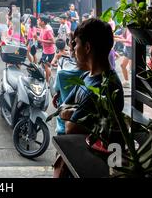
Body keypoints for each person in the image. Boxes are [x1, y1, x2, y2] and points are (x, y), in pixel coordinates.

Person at [53, 18, 124, 178]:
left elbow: (71, 127)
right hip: (79, 157)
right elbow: (62, 108)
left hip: (93, 164)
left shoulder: (104, 86)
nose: (73, 48)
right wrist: (73, 113)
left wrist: (70, 114)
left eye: (76, 44)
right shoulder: (86, 76)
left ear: (87, 47)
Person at [38, 15, 55, 83]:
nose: (38, 21)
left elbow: (53, 41)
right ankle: (51, 78)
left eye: (39, 20)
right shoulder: (42, 27)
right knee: (44, 66)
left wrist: (41, 40)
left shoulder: (48, 30)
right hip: (45, 50)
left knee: (46, 67)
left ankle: (47, 83)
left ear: (43, 22)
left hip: (50, 52)